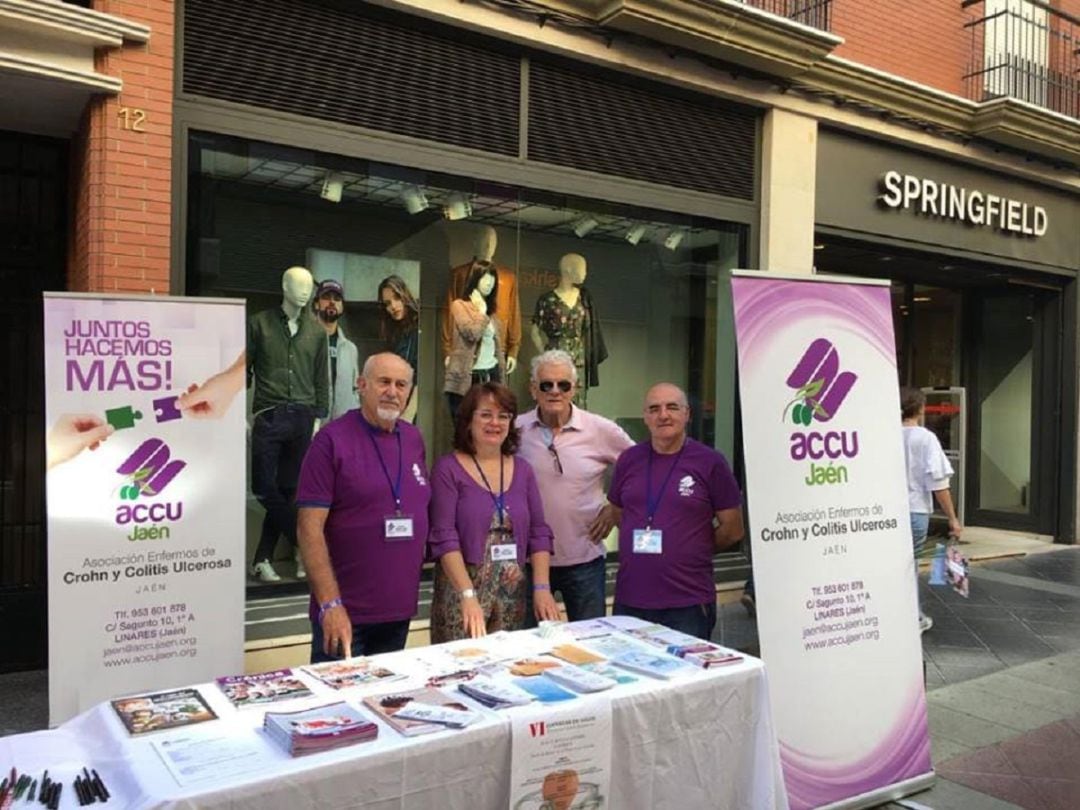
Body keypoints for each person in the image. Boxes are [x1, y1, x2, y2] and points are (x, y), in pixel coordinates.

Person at [295, 352, 430, 662]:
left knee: (385, 703)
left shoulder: (413, 439)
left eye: (401, 384)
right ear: (361, 385)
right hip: (344, 615)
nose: (393, 392)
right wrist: (329, 604)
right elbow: (308, 528)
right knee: (338, 707)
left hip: (397, 613)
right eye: (384, 382)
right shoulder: (331, 440)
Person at [608, 382, 744, 640]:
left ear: (687, 414)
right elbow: (618, 514)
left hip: (687, 602)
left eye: (672, 407)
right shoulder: (629, 460)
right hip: (631, 599)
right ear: (645, 417)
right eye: (654, 409)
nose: (663, 415)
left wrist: (694, 546)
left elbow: (733, 529)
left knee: (688, 676)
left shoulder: (710, 462)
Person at [428, 382, 559, 641]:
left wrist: (542, 587)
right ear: (468, 420)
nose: (495, 423)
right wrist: (467, 594)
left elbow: (539, 532)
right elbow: (444, 537)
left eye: (503, 416)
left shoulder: (523, 470)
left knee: (504, 668)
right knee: (461, 667)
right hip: (463, 592)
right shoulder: (448, 469)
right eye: (486, 414)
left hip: (512, 592)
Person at [516, 350, 633, 621]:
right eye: (546, 384)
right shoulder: (515, 429)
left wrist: (615, 507)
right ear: (533, 389)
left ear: (574, 389)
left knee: (590, 644)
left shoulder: (600, 429)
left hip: (585, 560)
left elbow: (640, 468)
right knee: (530, 650)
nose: (555, 391)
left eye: (563, 385)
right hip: (528, 562)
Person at [247, 266, 329, 583]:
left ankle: (262, 559)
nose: (305, 291)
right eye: (299, 284)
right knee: (265, 488)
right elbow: (244, 369)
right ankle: (304, 544)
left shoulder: (317, 331)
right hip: (269, 412)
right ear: (284, 285)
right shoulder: (259, 324)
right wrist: (242, 412)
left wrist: (319, 416)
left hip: (304, 416)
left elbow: (323, 378)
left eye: (310, 285)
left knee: (291, 490)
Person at [901, 386, 962, 633]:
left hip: (886, 514)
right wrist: (953, 519)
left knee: (892, 565)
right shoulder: (925, 438)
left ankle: (894, 614)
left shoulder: (883, 436)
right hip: (915, 510)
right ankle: (912, 617)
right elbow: (939, 484)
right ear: (920, 409)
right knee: (909, 566)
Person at [444, 264, 507, 419]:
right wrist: (481, 311)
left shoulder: (492, 315)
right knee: (465, 427)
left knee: (489, 423)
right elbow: (472, 333)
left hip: (491, 375)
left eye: (492, 279)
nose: (489, 283)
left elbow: (497, 349)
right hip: (468, 378)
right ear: (475, 279)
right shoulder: (459, 306)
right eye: (485, 278)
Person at [312, 279, 360, 421]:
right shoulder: (305, 342)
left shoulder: (350, 348)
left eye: (337, 299)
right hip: (312, 425)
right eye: (326, 298)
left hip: (343, 428)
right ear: (316, 304)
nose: (332, 302)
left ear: (342, 307)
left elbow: (355, 388)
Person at [377, 275, 420, 423]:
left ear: (404, 295)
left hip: (411, 408)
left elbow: (420, 376)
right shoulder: (393, 332)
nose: (393, 306)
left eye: (397, 298)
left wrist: (409, 413)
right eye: (387, 303)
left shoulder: (418, 327)